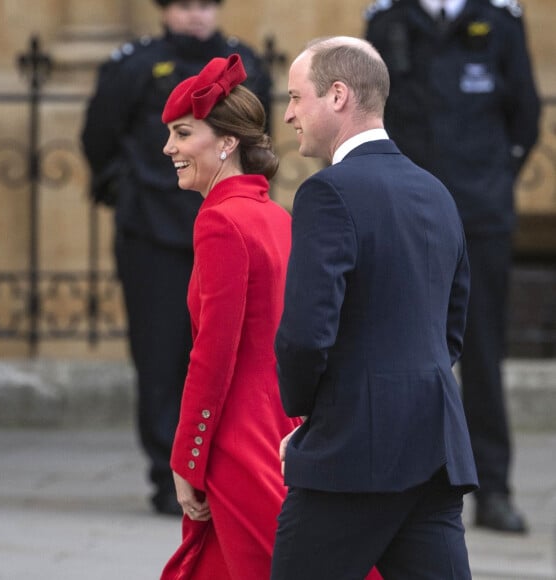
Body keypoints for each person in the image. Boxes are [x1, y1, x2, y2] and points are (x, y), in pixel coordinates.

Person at [270, 36, 478, 580]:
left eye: (296, 97)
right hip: (434, 442)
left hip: (353, 455)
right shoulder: (436, 191)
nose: (289, 113)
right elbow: (450, 328)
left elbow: (305, 334)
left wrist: (312, 419)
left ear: (337, 95)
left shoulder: (328, 193)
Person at [81, 0, 272, 516]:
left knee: (227, 347)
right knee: (162, 353)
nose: (197, 16)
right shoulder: (137, 64)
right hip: (154, 231)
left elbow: (257, 135)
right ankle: (170, 474)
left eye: (207, 5)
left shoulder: (242, 61)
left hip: (224, 225)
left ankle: (222, 462)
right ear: (165, 10)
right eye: (186, 5)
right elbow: (99, 135)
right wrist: (126, 188)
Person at [365, 0, 540, 533]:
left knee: (482, 356)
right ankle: (398, 489)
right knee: (396, 352)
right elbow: (371, 113)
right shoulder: (387, 20)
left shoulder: (501, 20)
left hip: (479, 214)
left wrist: (491, 179)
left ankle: (493, 489)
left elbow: (525, 114)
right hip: (407, 213)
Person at [156, 53, 301, 580]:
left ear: (226, 142)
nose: (169, 147)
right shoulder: (273, 215)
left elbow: (213, 353)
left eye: (182, 132)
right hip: (280, 423)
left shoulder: (220, 221)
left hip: (238, 437)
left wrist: (186, 456)